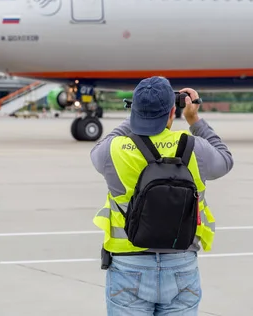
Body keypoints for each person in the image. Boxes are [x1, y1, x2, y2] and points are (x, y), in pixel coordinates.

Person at [90, 76, 234, 315]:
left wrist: (137, 115)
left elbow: (102, 144)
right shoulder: (193, 146)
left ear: (134, 111)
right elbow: (225, 159)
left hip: (128, 266)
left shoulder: (112, 151)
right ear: (171, 112)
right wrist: (194, 119)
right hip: (180, 265)